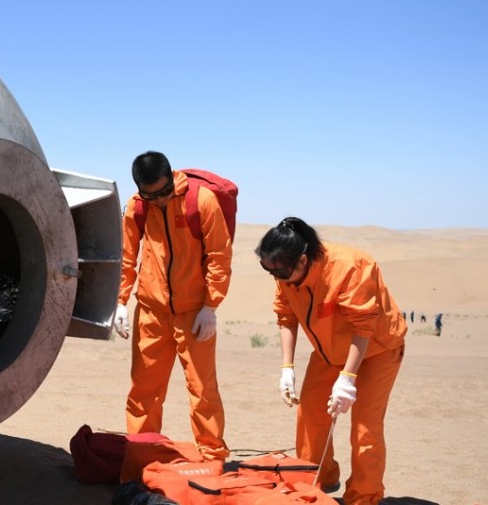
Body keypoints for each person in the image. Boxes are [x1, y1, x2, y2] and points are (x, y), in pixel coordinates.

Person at [256, 217, 407, 505]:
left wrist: (347, 379)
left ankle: (364, 497)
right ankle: (315, 479)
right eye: (269, 270)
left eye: (280, 271)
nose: (276, 278)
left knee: (365, 428)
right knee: (310, 412)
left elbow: (363, 326)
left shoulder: (351, 267)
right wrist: (287, 368)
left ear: (302, 260)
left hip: (376, 349)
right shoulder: (284, 272)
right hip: (329, 351)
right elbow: (286, 317)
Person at [113, 151, 232, 460]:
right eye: (151, 195)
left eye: (165, 192)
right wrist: (120, 302)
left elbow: (219, 256)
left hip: (194, 314)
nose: (161, 200)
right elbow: (126, 257)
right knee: (143, 391)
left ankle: (212, 457)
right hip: (151, 313)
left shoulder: (201, 201)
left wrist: (211, 306)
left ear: (171, 177)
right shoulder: (137, 207)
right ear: (140, 190)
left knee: (203, 390)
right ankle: (142, 457)